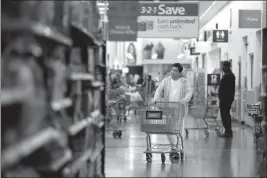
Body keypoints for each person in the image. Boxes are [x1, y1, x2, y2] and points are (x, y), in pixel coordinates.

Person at [151, 63, 193, 157]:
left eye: (175, 71)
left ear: (180, 73)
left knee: (178, 129)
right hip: (168, 108)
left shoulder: (184, 82)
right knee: (168, 129)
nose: (172, 72)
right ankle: (174, 147)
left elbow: (189, 92)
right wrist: (156, 98)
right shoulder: (166, 80)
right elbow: (159, 90)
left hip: (180, 108)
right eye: (172, 70)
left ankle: (177, 149)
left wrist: (184, 100)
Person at [219, 61, 235, 138]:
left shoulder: (228, 76)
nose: (222, 68)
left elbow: (227, 90)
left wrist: (223, 99)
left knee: (225, 115)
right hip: (227, 99)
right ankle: (228, 131)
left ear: (227, 67)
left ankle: (228, 131)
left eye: (223, 67)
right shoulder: (229, 75)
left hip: (225, 100)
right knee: (226, 115)